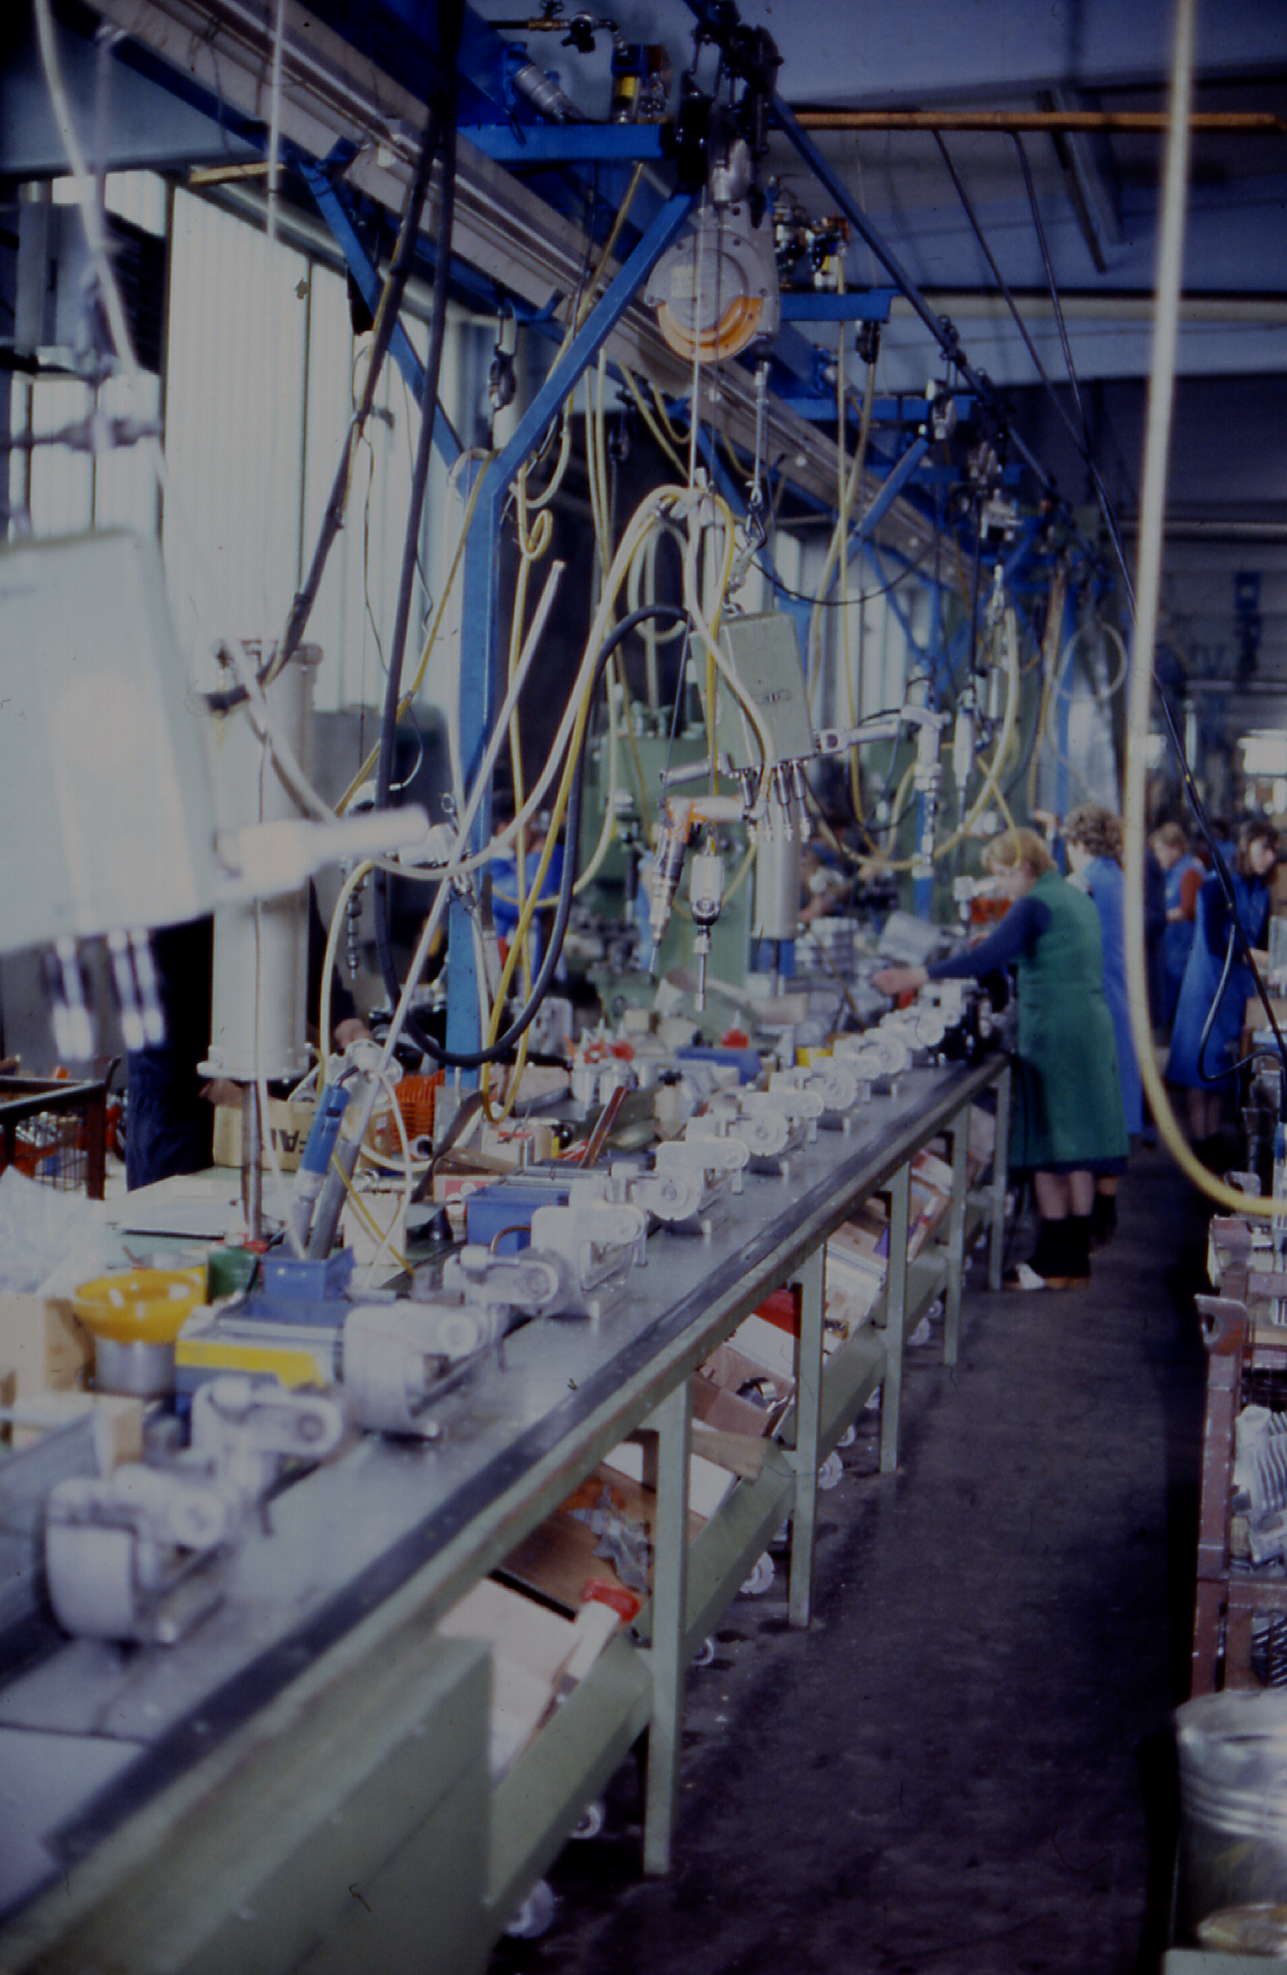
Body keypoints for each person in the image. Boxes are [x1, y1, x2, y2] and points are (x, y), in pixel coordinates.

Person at [873, 826, 1128, 1291]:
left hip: (1055, 1036)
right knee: (1075, 1149)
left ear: (1023, 868)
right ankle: (1075, 1260)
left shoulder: (1034, 903)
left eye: (1003, 876)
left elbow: (985, 960)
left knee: (1048, 1150)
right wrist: (1001, 948)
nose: (1003, 888)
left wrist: (914, 976)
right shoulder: (1071, 897)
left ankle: (1055, 1263)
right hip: (1086, 1031)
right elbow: (1048, 953)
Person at [1165, 818, 1279, 1152]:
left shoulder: (1260, 890)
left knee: (1220, 1069)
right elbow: (1216, 943)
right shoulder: (1215, 887)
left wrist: (1267, 961)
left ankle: (1212, 1135)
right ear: (1246, 846)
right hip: (1207, 988)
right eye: (1264, 849)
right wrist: (1260, 957)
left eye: (1274, 851)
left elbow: (1263, 938)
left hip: (1236, 989)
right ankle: (1199, 1139)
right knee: (1198, 1067)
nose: (1270, 857)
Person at [1062, 804, 1142, 1246]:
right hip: (1122, 1004)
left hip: (1091, 1008)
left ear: (1077, 843)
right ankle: (1106, 1209)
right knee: (1114, 1110)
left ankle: (1081, 1220)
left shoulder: (1082, 882)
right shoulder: (1121, 878)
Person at [1150, 821, 1203, 1030]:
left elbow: (1188, 910)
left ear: (1174, 848)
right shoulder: (1172, 872)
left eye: (1160, 850)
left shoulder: (1189, 871)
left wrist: (1157, 918)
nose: (1157, 856)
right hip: (1172, 952)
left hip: (1182, 953)